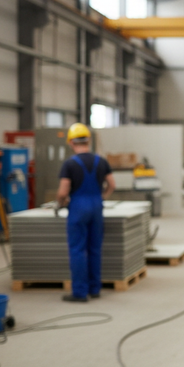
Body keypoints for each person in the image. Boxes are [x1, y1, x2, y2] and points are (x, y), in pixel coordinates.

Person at [56, 123, 116, 302]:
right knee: (95, 249)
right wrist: (102, 197)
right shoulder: (101, 161)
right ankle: (95, 289)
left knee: (77, 250)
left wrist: (61, 202)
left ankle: (80, 293)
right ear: (88, 140)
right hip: (96, 206)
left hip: (78, 208)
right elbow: (112, 184)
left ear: (71, 143)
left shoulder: (70, 164)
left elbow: (62, 192)